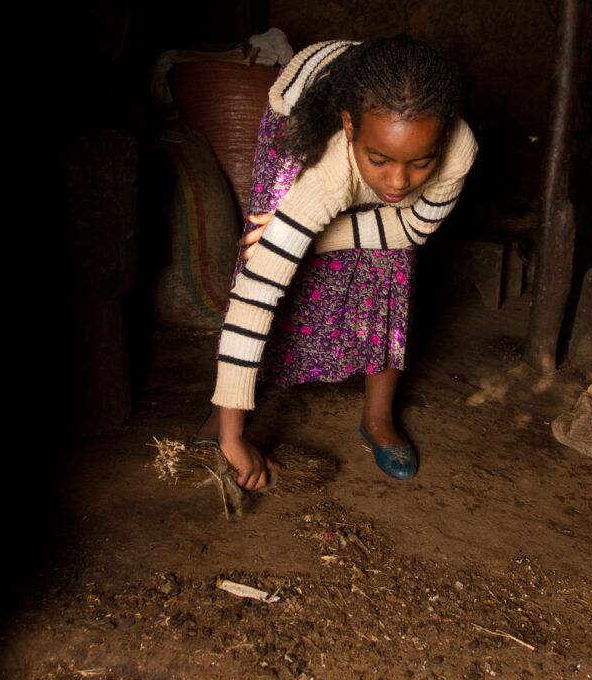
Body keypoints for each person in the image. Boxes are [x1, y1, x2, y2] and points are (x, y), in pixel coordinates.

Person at [194, 34, 477, 489]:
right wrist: (234, 440)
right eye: (379, 160)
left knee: (392, 259)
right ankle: (223, 410)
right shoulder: (324, 170)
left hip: (377, 127)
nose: (399, 182)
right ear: (349, 126)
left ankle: (378, 416)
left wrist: (310, 241)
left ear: (442, 138)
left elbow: (415, 227)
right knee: (262, 254)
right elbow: (257, 287)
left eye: (421, 163)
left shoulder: (458, 150)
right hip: (303, 112)